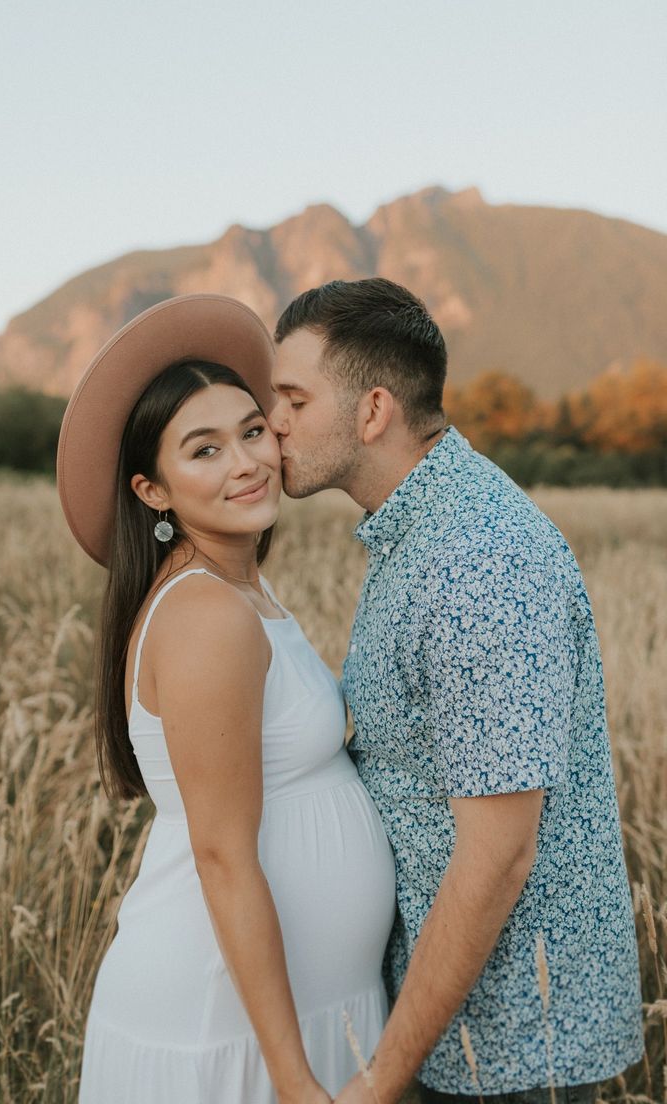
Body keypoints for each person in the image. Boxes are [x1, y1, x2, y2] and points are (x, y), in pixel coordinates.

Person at [268, 277, 644, 1104]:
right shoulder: (418, 532)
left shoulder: (478, 561)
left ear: (372, 412)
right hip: (455, 1033)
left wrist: (380, 1080)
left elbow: (498, 857)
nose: (274, 423)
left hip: (508, 1048)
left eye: (293, 398)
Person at [56, 293, 396, 1104]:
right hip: (228, 1027)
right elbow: (222, 856)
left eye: (252, 432)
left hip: (301, 1007)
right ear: (153, 490)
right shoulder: (207, 614)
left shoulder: (242, 590)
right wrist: (290, 1077)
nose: (247, 462)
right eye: (205, 450)